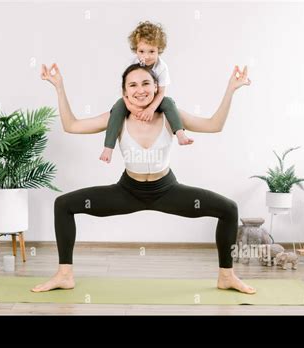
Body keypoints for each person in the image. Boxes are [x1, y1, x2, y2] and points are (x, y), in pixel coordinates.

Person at [32, 61, 255, 294]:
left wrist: (231, 89)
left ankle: (226, 276)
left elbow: (214, 125)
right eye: (133, 85)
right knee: (64, 204)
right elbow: (72, 125)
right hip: (127, 192)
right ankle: (65, 275)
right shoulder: (117, 118)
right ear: (124, 92)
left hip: (167, 191)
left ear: (157, 87)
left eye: (146, 83)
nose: (140, 90)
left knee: (228, 209)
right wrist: (58, 86)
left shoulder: (171, 115)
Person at [99, 21, 193, 164]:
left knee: (169, 102)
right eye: (141, 51)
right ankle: (108, 148)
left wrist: (151, 109)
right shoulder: (131, 64)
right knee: (118, 107)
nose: (146, 56)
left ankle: (180, 134)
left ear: (159, 50)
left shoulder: (162, 67)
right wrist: (131, 107)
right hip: (134, 100)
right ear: (136, 50)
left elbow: (161, 92)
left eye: (151, 51)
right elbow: (125, 91)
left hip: (154, 101)